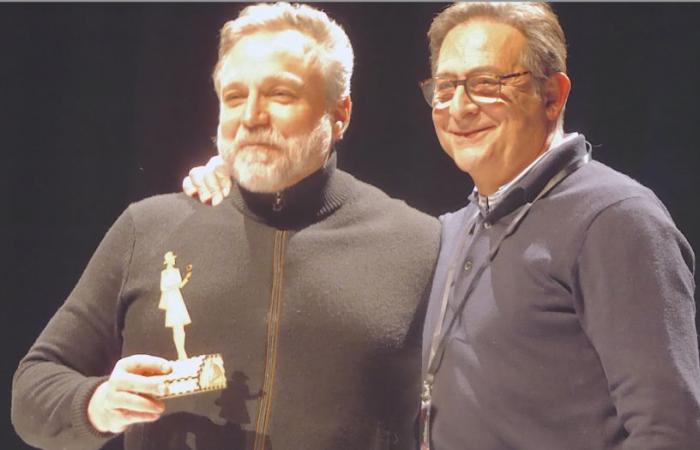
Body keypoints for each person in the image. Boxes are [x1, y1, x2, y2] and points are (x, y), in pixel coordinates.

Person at [183, 3, 700, 449]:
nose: (459, 105)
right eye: (446, 86)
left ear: (552, 96)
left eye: (487, 83)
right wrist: (246, 172)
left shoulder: (614, 219)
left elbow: (669, 428)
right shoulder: (454, 230)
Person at [11, 3, 439, 450]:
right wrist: (97, 403)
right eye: (235, 97)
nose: (251, 116)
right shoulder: (151, 227)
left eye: (281, 94)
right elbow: (33, 390)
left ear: (340, 114)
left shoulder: (417, 244)